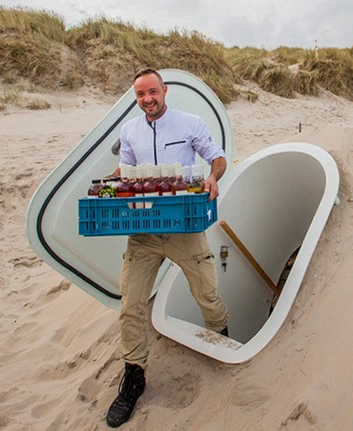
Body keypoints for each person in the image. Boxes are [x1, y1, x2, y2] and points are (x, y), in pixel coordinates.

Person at [105, 68, 229, 428]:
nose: (148, 100)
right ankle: (134, 376)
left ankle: (221, 341)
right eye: (141, 95)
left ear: (165, 90)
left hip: (184, 225)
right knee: (130, 303)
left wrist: (212, 177)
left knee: (206, 294)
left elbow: (216, 157)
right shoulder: (129, 130)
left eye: (153, 92)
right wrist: (105, 186)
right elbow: (125, 170)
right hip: (143, 229)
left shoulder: (189, 123)